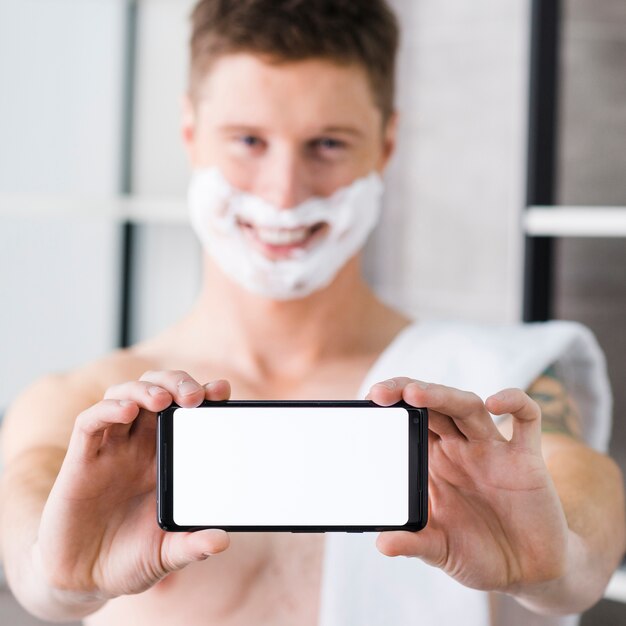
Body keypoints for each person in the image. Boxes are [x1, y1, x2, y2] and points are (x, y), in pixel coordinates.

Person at [1, 1, 624, 624]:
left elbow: (582, 501)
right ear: (190, 134)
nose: (284, 193)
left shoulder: (488, 392)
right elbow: (35, 550)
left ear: (385, 145)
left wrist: (557, 562)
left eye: (327, 144)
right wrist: (63, 582)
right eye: (248, 140)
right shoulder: (89, 412)